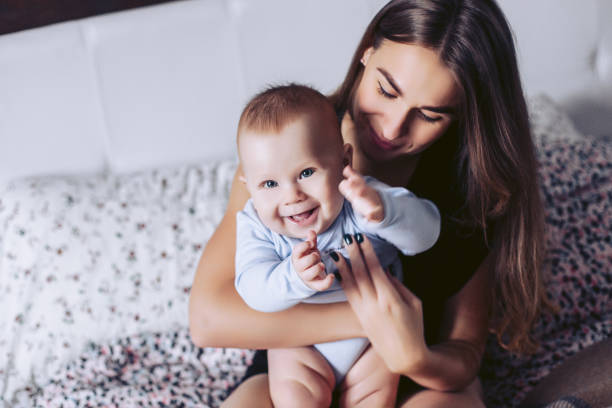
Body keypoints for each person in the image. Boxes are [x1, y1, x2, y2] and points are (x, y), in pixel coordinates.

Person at [189, 0, 547, 406]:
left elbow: (464, 354)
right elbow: (207, 320)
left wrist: (412, 355)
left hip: (413, 371)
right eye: (386, 90)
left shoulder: (472, 190)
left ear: (465, 114)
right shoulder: (283, 149)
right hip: (294, 353)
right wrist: (369, 320)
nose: (392, 128)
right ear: (367, 53)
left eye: (430, 115)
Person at [234, 84, 441, 407]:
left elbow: (426, 234)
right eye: (270, 184)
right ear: (249, 186)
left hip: (373, 339)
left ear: (344, 160)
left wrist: (384, 213)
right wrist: (293, 276)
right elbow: (251, 287)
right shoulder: (257, 226)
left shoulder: (361, 200)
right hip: (302, 343)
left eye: (306, 172)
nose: (292, 196)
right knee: (295, 394)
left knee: (374, 396)